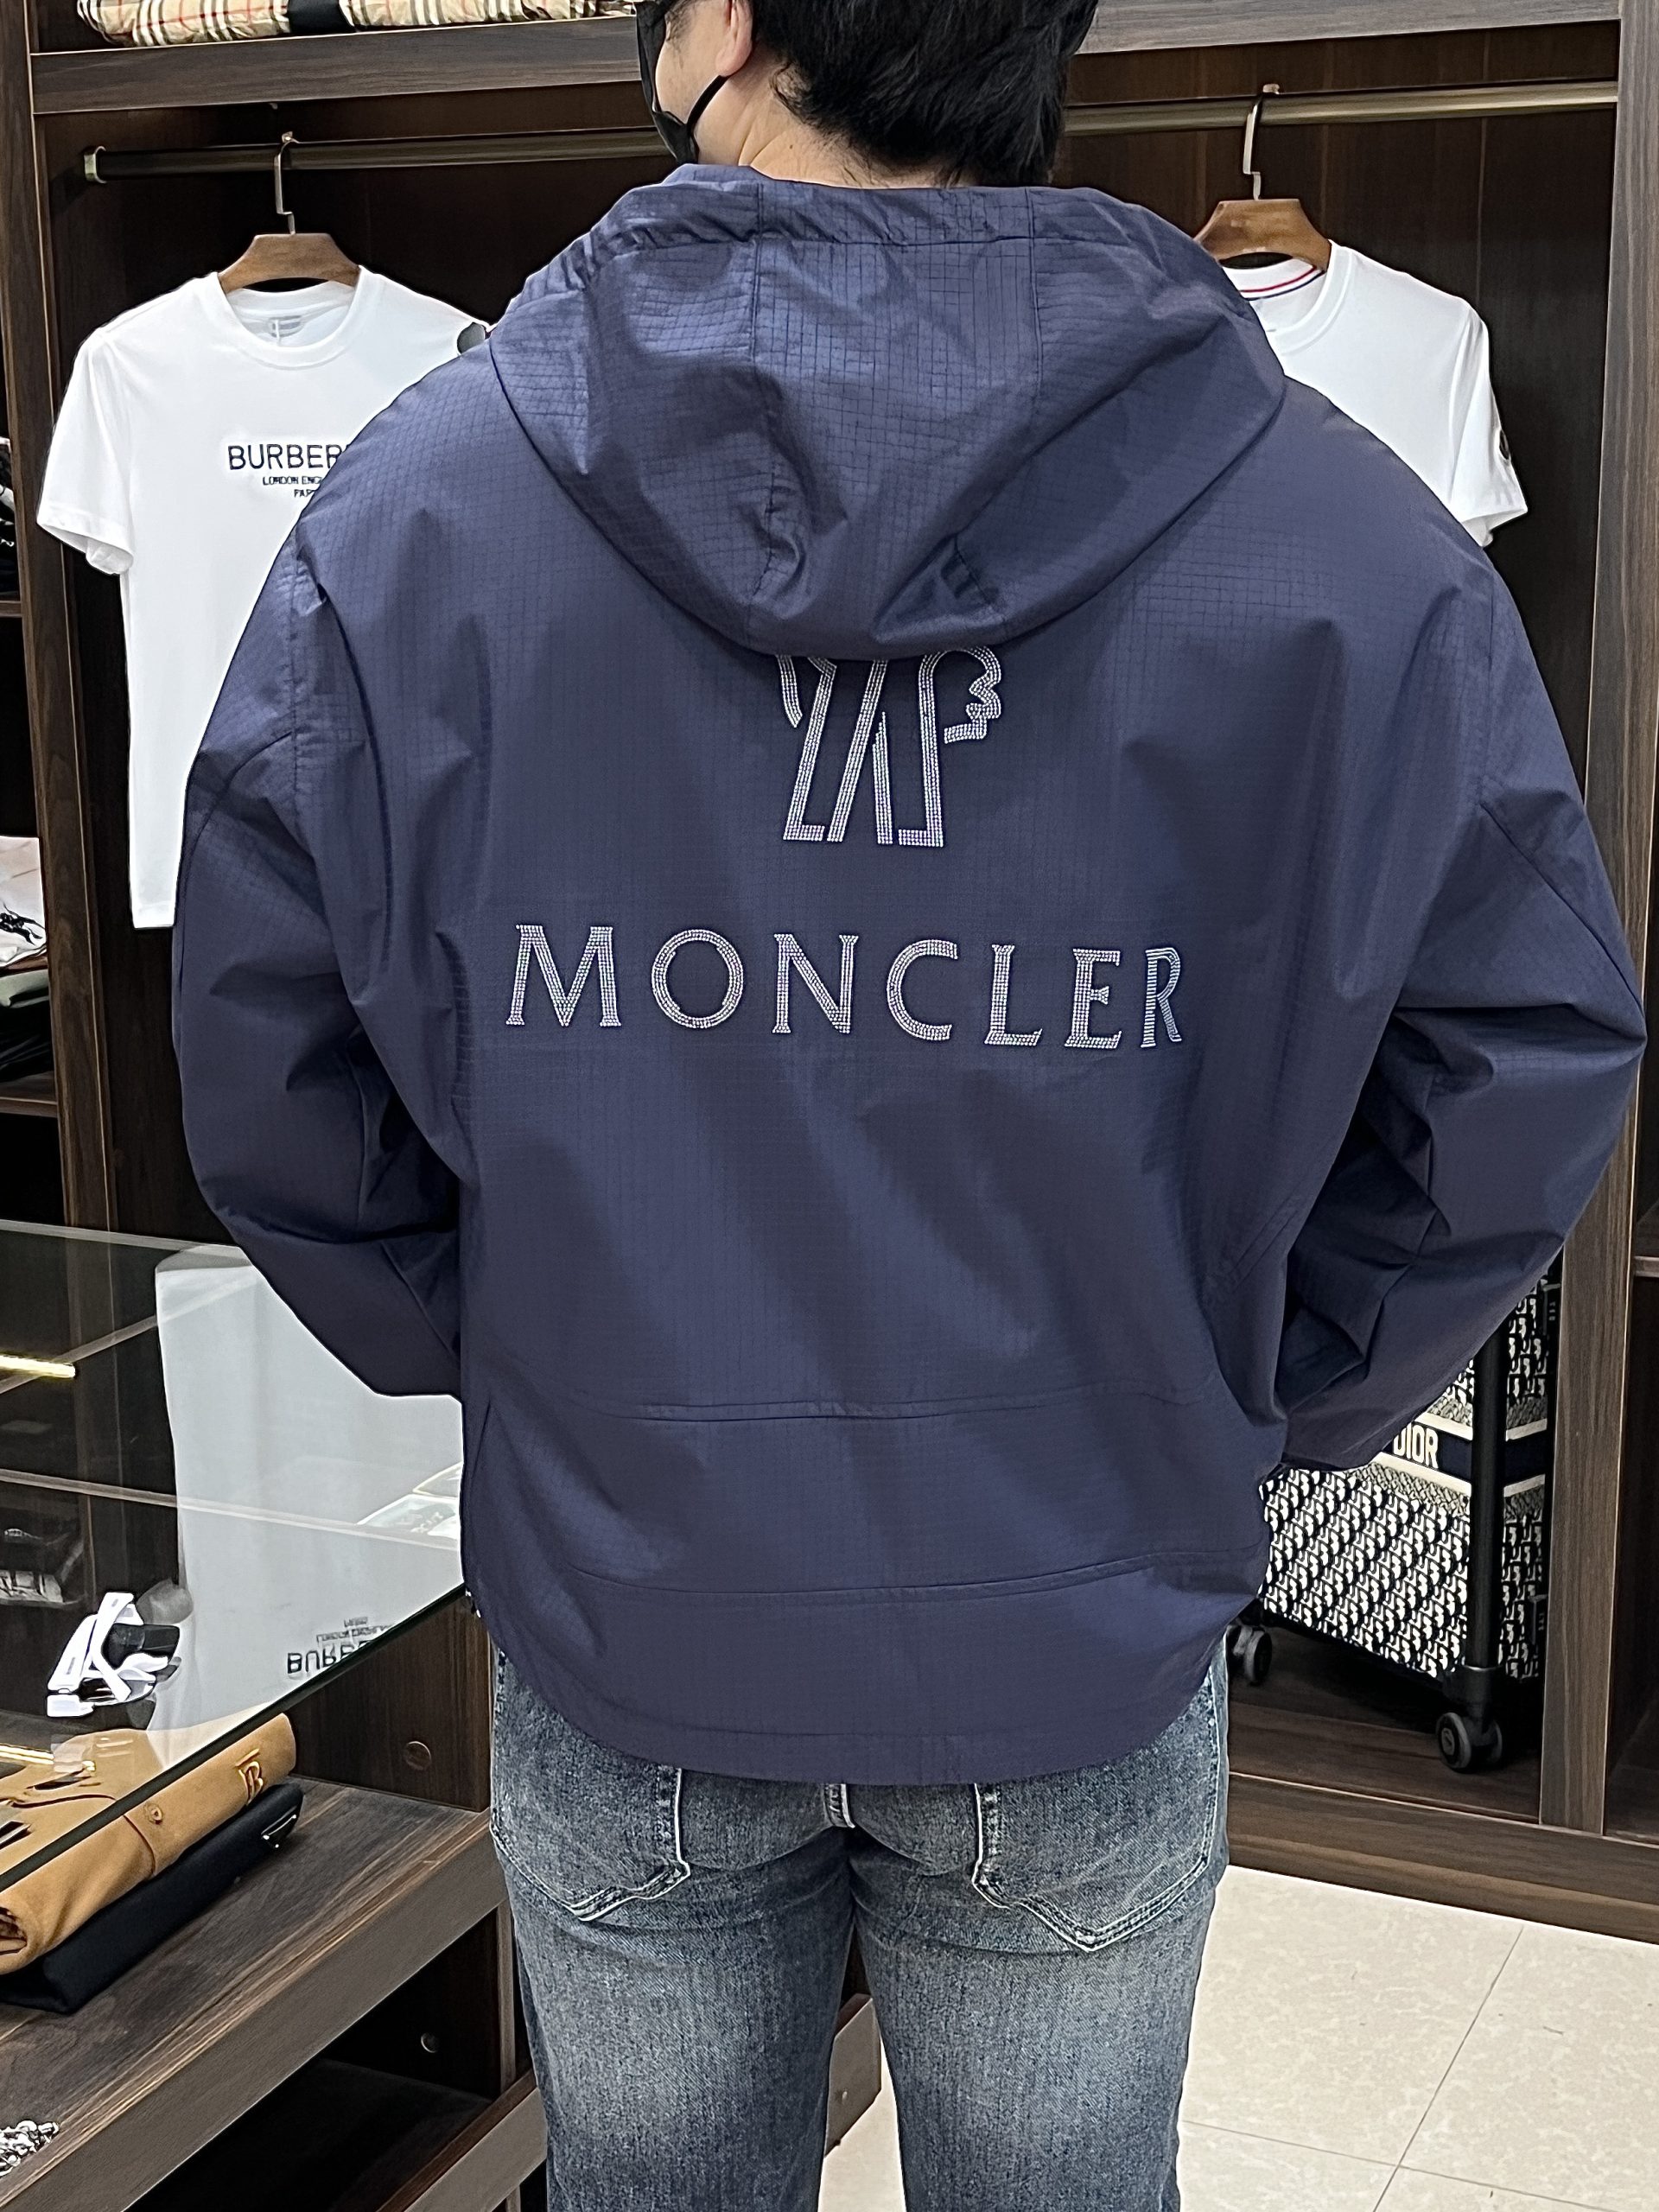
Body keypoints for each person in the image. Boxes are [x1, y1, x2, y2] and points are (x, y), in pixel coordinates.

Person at [171, 3, 1644, 2205]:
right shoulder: (1339, 535)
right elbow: (1520, 1051)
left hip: (634, 1596)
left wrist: (525, 1350)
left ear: (726, 21)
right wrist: (1260, 1381)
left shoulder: (421, 514)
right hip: (1080, 1595)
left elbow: (268, 1050)